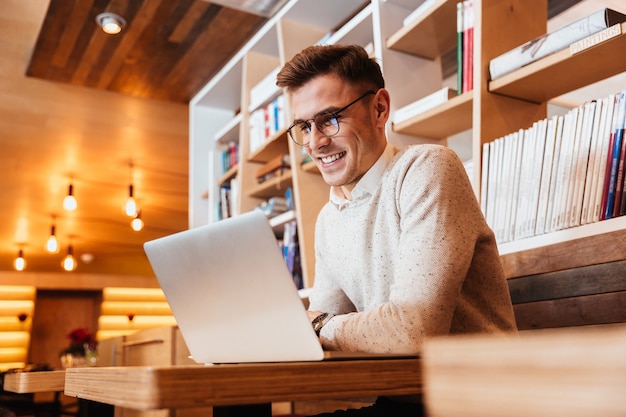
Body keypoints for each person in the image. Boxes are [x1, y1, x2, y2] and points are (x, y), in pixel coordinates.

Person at [276, 44, 517, 416]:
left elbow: (414, 329)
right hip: (404, 398)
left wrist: (318, 325)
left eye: (330, 119)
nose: (315, 142)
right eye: (304, 126)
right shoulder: (330, 217)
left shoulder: (428, 169)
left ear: (379, 108)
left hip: (480, 400)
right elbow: (319, 329)